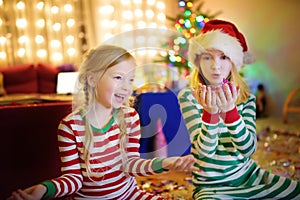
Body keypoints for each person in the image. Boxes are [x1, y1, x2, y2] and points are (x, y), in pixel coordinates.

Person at [8, 44, 198, 200]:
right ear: (92, 79)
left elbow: (130, 164)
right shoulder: (70, 126)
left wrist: (169, 162)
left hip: (130, 194)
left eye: (130, 80)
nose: (126, 87)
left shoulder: (130, 117)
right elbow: (73, 179)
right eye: (118, 78)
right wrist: (43, 189)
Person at [178, 19, 300, 199]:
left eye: (223, 57)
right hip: (212, 186)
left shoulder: (246, 98)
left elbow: (248, 149)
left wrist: (230, 112)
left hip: (249, 177)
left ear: (234, 62)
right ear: (198, 61)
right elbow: (204, 152)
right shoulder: (188, 96)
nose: (215, 66)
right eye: (207, 57)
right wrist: (210, 113)